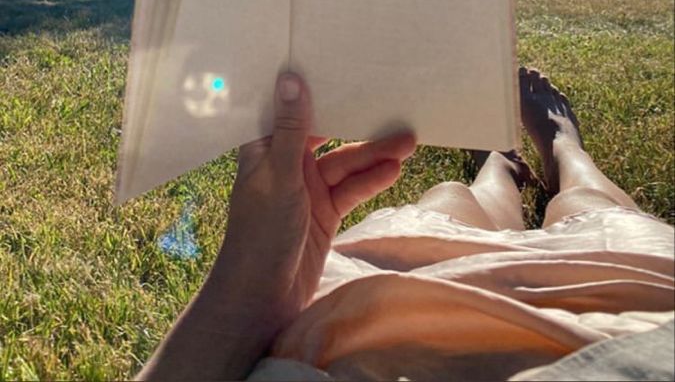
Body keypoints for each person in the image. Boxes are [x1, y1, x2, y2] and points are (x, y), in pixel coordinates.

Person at [138, 68, 674, 382]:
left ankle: (506, 160)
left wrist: (246, 297)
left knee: (447, 202)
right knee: (593, 210)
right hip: (633, 312)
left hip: (362, 315)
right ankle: (555, 150)